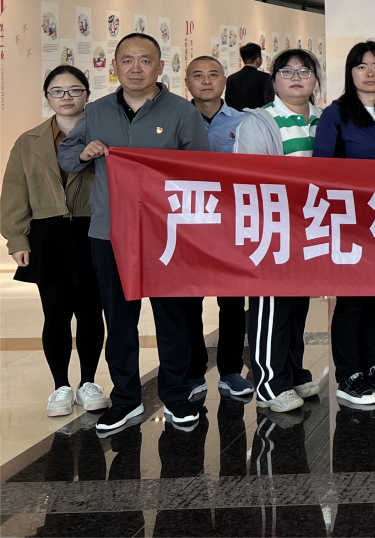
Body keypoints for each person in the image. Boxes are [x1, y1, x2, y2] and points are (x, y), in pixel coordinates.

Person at [59, 33, 211, 434]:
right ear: (115, 67)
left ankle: (176, 395)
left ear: (160, 67)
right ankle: (126, 399)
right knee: (119, 319)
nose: (136, 68)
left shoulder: (182, 112)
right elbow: (67, 155)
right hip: (109, 232)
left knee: (172, 317)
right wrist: (84, 153)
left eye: (145, 60)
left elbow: (201, 171)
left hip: (166, 234)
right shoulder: (96, 111)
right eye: (127, 60)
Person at [1, 66, 107, 417]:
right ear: (47, 97)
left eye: (75, 90)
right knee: (56, 314)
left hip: (93, 230)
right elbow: (14, 191)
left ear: (87, 95)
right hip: (48, 235)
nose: (66, 97)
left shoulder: (103, 137)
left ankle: (88, 382)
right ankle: (60, 386)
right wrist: (17, 238)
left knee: (91, 313)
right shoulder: (28, 141)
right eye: (57, 91)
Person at [233, 48, 327, 412]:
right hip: (273, 227)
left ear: (315, 79)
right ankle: (270, 383)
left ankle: (293, 371)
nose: (296, 78)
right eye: (287, 72)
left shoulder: (323, 120)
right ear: (274, 80)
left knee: (297, 304)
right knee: (271, 304)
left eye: (305, 71)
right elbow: (251, 179)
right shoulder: (259, 122)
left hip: (310, 227)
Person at [314, 41, 375, 407]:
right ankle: (348, 374)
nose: (370, 73)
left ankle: (369, 366)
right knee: (351, 299)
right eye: (361, 66)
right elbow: (322, 169)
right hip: (349, 220)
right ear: (350, 73)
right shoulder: (335, 115)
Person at [185, 55, 252, 400]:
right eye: (198, 75)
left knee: (232, 301)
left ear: (225, 81)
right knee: (189, 301)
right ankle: (194, 371)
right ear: (187, 83)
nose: (206, 81)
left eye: (213, 75)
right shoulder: (176, 120)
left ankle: (230, 371)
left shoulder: (244, 122)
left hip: (230, 223)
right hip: (189, 224)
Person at [225, 42, 270, 111]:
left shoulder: (231, 78)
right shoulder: (266, 77)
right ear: (258, 59)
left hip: (237, 116)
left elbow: (228, 103)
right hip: (259, 116)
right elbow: (269, 101)